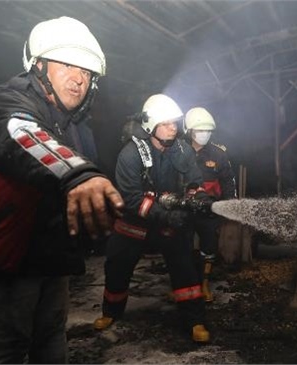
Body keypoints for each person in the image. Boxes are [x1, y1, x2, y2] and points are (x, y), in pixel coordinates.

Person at [0, 16, 123, 364]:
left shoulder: (73, 123)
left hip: (44, 256)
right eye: (67, 64)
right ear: (38, 65)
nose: (78, 78)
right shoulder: (6, 101)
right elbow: (24, 134)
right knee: (5, 349)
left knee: (51, 336)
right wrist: (79, 175)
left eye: (87, 72)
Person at [94, 94, 212, 343]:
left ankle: (195, 320)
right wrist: (165, 215)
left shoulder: (182, 150)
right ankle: (111, 312)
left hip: (172, 222)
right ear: (151, 126)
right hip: (134, 224)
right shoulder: (130, 154)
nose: (174, 127)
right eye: (167, 123)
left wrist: (198, 197)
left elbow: (193, 182)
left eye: (175, 123)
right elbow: (133, 199)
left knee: (185, 268)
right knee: (117, 264)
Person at [183, 107, 237, 302]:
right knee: (182, 247)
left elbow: (228, 181)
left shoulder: (218, 154)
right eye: (200, 130)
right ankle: (184, 285)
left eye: (208, 130)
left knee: (209, 247)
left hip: (210, 210)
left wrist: (228, 206)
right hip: (184, 209)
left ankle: (204, 284)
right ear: (189, 130)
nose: (204, 134)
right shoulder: (178, 151)